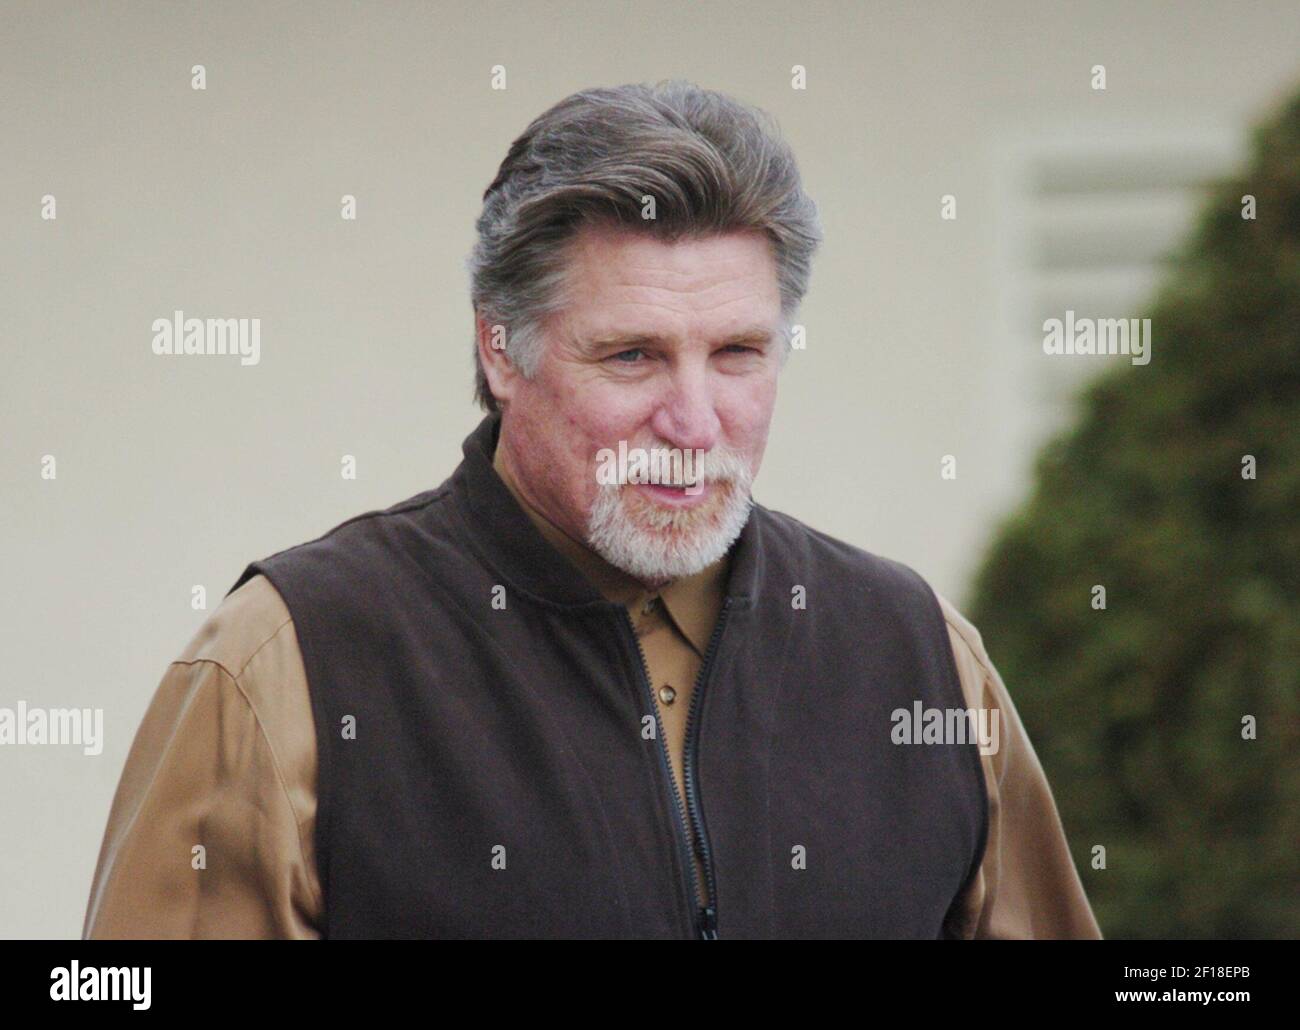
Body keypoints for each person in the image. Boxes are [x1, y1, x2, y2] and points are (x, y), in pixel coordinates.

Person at [82, 80, 1101, 940]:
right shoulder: (292, 658)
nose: (694, 420)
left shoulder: (920, 655)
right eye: (632, 354)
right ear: (500, 349)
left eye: (738, 353)